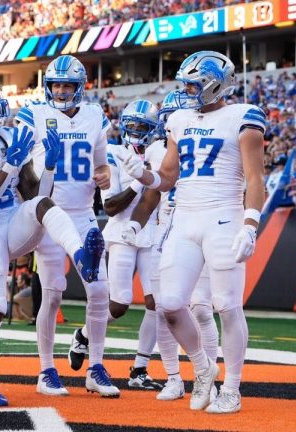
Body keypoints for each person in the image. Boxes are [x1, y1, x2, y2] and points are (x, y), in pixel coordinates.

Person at [0, 75, 106, 406]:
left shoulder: (6, 136)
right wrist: (11, 164)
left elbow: (35, 195)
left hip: (12, 221)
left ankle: (81, 257)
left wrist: (48, 168)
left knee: (44, 205)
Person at [126, 51, 266, 414]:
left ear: (216, 84)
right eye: (185, 83)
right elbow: (168, 177)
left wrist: (250, 224)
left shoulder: (243, 116)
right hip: (184, 218)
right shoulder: (178, 119)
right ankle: (204, 368)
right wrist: (143, 175)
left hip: (224, 216)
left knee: (227, 306)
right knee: (170, 304)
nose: (187, 90)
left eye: (194, 83)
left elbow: (255, 179)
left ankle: (232, 390)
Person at [15, 55, 115, 397]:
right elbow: (21, 172)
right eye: (55, 84)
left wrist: (104, 175)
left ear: (79, 87)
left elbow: (102, 165)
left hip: (84, 212)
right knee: (53, 293)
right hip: (49, 213)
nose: (59, 91)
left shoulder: (95, 115)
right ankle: (46, 370)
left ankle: (96, 367)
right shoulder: (33, 115)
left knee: (100, 291)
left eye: (66, 85)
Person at [124, 90, 220, 402]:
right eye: (166, 119)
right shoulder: (157, 151)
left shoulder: (209, 146)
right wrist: (136, 224)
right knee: (166, 308)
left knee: (202, 310)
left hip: (199, 231)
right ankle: (174, 378)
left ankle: (210, 377)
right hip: (164, 236)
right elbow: (152, 194)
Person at [99, 99, 164, 391]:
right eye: (132, 125)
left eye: (143, 127)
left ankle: (139, 369)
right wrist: (140, 180)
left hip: (150, 231)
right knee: (119, 304)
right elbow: (110, 206)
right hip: (121, 231)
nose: (136, 131)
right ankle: (85, 335)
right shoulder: (112, 154)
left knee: (157, 303)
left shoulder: (157, 152)